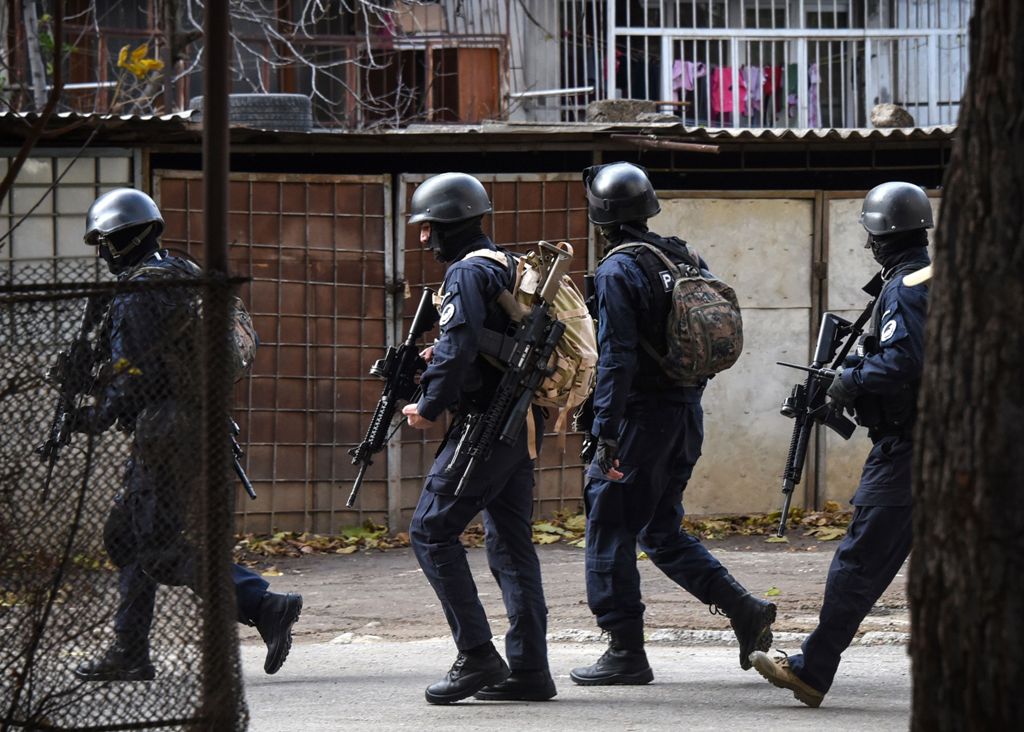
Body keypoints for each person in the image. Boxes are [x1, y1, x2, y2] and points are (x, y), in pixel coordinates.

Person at [70, 188, 302, 681]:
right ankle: (130, 651)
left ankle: (262, 604)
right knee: (132, 535)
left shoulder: (139, 292)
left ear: (117, 240)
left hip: (167, 434)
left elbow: (134, 377)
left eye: (103, 243)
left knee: (148, 543)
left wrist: (94, 415)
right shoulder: (185, 274)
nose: (102, 253)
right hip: (194, 426)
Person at [571, 162, 776, 686]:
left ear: (601, 217)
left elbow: (617, 357)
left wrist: (606, 429)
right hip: (684, 415)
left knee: (610, 526)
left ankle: (624, 652)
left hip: (638, 422)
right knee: (658, 529)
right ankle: (743, 608)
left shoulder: (619, 270)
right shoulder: (681, 254)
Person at [750, 181, 932, 707]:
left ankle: (812, 669)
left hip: (909, 452)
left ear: (879, 235)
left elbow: (904, 361)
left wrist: (851, 378)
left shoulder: (906, 286)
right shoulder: (935, 275)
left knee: (858, 563)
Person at [400, 172, 555, 705]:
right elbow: (480, 343)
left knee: (430, 531)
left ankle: (477, 657)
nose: (424, 239)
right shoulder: (507, 265)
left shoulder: (467, 273)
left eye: (427, 229)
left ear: (447, 225)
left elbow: (463, 341)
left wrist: (429, 405)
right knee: (510, 545)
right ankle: (530, 669)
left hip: (485, 426)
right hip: (519, 426)